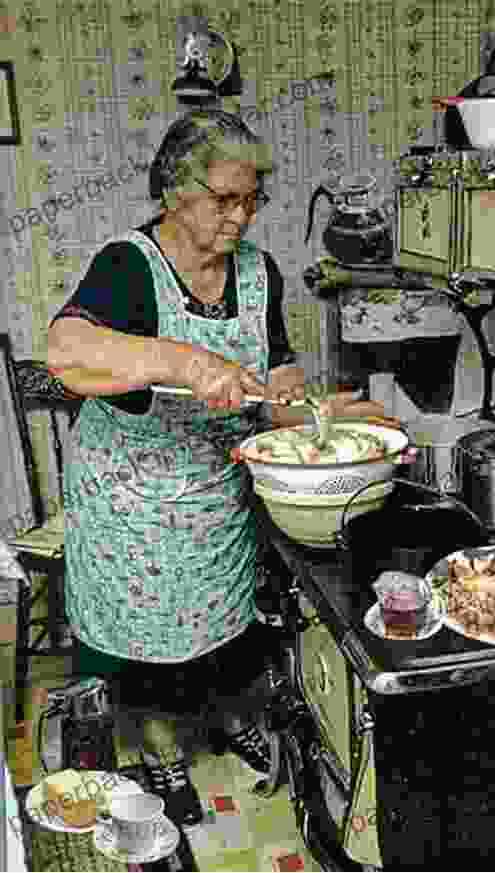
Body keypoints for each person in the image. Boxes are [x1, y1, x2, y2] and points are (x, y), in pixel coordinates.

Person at [47, 108, 384, 826]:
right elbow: (67, 352)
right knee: (144, 642)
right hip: (131, 499)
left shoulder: (260, 273)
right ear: (174, 192)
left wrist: (331, 413)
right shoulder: (127, 266)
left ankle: (222, 721)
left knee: (218, 627)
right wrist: (182, 358)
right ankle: (163, 748)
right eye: (224, 200)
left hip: (213, 488)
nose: (242, 216)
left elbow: (276, 387)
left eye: (251, 199)